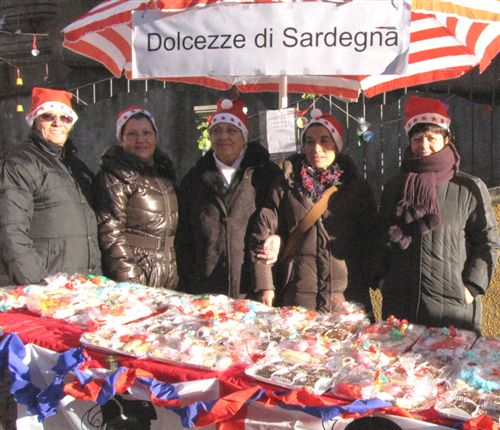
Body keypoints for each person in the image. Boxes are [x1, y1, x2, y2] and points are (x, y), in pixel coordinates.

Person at [379, 96, 499, 334]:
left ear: (446, 139)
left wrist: (471, 287)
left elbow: (487, 242)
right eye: (417, 138)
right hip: (401, 306)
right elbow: (379, 236)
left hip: (453, 309)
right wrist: (382, 280)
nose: (424, 144)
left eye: (432, 138)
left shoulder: (469, 187)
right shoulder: (395, 187)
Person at [251, 108, 385, 314]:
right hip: (298, 294)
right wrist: (265, 285)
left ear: (337, 145)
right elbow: (263, 232)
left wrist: (380, 279)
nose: (317, 148)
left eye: (325, 140)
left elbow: (371, 240)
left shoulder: (356, 187)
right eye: (309, 141)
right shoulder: (285, 184)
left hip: (346, 298)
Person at [176, 98, 281, 299]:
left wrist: (278, 238)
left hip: (252, 286)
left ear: (243, 136)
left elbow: (281, 219)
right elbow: (184, 237)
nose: (223, 137)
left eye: (231, 130)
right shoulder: (194, 179)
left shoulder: (266, 174)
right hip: (206, 288)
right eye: (216, 130)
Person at [0, 87, 101, 285]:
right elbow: (11, 229)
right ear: (35, 120)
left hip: (80, 284)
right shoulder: (20, 162)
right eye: (48, 116)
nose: (58, 123)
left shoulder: (75, 166)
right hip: (46, 285)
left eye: (65, 118)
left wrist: (95, 277)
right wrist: (36, 283)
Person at [93, 105, 178, 288]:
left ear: (155, 137)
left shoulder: (164, 174)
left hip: (166, 270)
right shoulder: (115, 176)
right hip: (137, 272)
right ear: (121, 139)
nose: (141, 139)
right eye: (132, 134)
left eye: (147, 133)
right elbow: (110, 233)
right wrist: (131, 279)